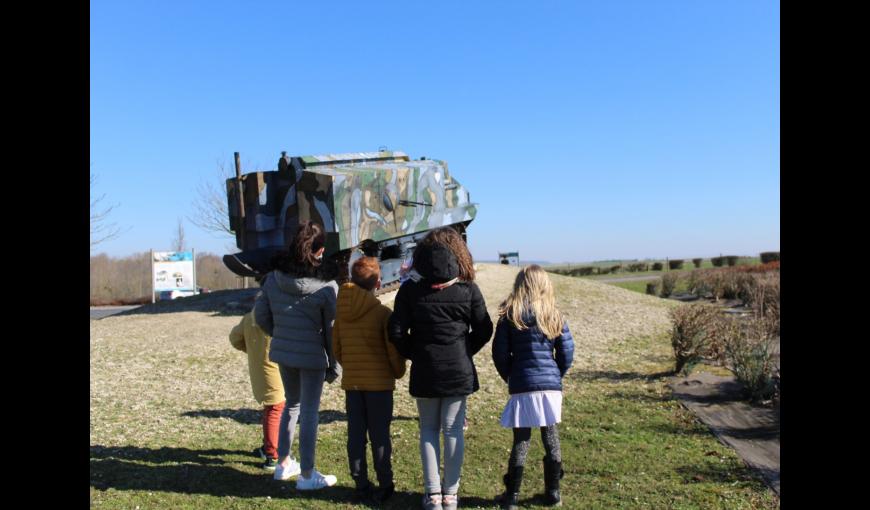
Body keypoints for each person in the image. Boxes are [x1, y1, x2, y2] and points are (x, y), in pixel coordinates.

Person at [388, 227, 494, 510]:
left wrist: (416, 353)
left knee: (428, 430)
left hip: (425, 369)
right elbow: (485, 328)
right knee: (453, 430)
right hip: (458, 370)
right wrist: (464, 350)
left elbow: (396, 331)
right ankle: (451, 494)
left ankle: (433, 495)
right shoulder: (468, 289)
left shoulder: (409, 290)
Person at [254, 221, 341, 491]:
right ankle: (307, 474)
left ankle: (283, 463)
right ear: (320, 250)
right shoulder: (327, 286)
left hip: (283, 353)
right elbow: (331, 331)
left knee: (291, 405)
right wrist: (334, 363)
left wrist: (280, 334)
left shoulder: (273, 279)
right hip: (312, 357)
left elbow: (261, 317)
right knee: (310, 412)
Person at [491, 265, 575, 509]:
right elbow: (567, 351)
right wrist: (556, 374)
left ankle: (512, 496)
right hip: (549, 386)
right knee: (551, 437)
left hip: (522, 384)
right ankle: (553, 492)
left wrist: (511, 376)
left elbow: (499, 353)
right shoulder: (553, 314)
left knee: (521, 440)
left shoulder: (510, 315)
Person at [333, 256, 407, 504]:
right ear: (377, 283)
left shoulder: (342, 310)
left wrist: (352, 366)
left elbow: (337, 348)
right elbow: (392, 352)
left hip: (353, 383)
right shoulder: (382, 314)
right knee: (379, 436)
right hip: (380, 386)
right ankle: (385, 483)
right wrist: (398, 372)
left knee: (355, 435)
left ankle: (360, 483)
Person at [228, 304, 285, 471]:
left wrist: (252, 350)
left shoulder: (249, 318)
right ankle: (272, 455)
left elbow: (234, 338)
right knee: (275, 409)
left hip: (260, 371)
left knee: (271, 410)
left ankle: (267, 446)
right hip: (275, 372)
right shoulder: (277, 318)